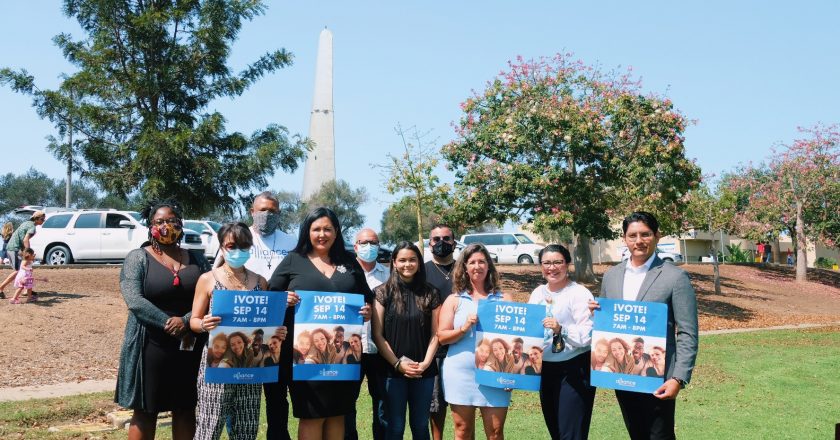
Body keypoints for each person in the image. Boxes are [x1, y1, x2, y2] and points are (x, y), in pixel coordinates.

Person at [268, 207, 373, 440]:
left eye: (327, 229)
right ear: (307, 232)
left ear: (336, 232)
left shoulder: (349, 262)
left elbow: (367, 298)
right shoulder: (293, 260)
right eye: (316, 229)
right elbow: (270, 297)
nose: (322, 234)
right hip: (305, 358)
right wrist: (282, 299)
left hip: (342, 360)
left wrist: (367, 310)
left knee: (338, 415)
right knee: (311, 415)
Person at [596, 211, 699, 439]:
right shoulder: (611, 276)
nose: (639, 241)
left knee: (659, 435)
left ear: (657, 236)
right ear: (624, 238)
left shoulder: (675, 277)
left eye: (645, 234)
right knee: (636, 434)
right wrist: (596, 313)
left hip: (658, 376)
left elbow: (687, 332)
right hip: (622, 376)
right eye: (632, 235)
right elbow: (607, 325)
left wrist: (678, 378)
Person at [115, 200, 211, 440]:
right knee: (147, 410)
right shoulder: (137, 257)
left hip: (189, 344)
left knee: (185, 407)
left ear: (181, 224)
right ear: (150, 226)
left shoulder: (197, 259)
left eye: (171, 220)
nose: (166, 226)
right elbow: (134, 300)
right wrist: (169, 323)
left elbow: (212, 293)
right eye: (159, 222)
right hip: (150, 344)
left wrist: (187, 321)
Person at [190, 221, 287, 440]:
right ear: (222, 246)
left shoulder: (260, 282)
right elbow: (193, 321)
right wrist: (203, 324)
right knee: (208, 427)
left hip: (251, 367)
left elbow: (266, 324)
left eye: (244, 246)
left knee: (246, 430)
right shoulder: (208, 279)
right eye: (231, 245)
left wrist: (277, 332)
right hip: (217, 365)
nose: (237, 251)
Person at [437, 243, 511, 440]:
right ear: (465, 268)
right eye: (472, 262)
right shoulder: (454, 300)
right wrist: (463, 328)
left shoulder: (504, 299)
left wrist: (512, 375)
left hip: (494, 374)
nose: (477, 266)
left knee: (495, 433)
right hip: (460, 373)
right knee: (462, 431)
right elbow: (442, 337)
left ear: (489, 266)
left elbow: (513, 340)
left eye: (481, 261)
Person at [371, 241, 441, 440]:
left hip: (423, 371)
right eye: (402, 260)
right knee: (395, 427)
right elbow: (377, 335)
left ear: (419, 262)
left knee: (420, 425)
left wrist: (426, 364)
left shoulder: (431, 293)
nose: (407, 264)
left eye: (412, 260)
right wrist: (397, 364)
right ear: (394, 262)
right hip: (391, 371)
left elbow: (436, 334)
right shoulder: (382, 292)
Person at [527, 244, 595, 440]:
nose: (552, 267)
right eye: (547, 263)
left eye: (558, 262)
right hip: (545, 369)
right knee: (555, 430)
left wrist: (561, 329)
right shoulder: (538, 293)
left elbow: (587, 335)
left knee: (571, 433)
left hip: (573, 369)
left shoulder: (579, 293)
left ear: (567, 264)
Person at [243, 191, 297, 440]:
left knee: (277, 390)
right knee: (242, 389)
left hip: (282, 325)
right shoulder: (238, 238)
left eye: (273, 211)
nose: (267, 215)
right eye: (263, 210)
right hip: (245, 323)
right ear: (252, 211)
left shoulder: (291, 242)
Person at [348, 228, 388, 440]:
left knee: (382, 403)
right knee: (347, 402)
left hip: (379, 349)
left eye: (373, 243)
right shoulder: (343, 274)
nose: (368, 247)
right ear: (355, 247)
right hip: (349, 349)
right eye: (364, 243)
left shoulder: (389, 275)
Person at [424, 224, 457, 440]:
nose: (441, 243)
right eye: (436, 239)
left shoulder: (466, 269)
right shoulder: (421, 270)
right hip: (432, 346)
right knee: (435, 405)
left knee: (461, 403)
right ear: (429, 243)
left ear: (454, 242)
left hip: (461, 345)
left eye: (446, 239)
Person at [0, 211, 46, 298]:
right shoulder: (32, 227)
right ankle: (1, 288)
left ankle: (26, 290)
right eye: (42, 219)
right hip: (15, 249)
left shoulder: (26, 223)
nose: (43, 221)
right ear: (36, 219)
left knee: (25, 269)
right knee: (19, 271)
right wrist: (28, 254)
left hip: (14, 248)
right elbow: (25, 240)